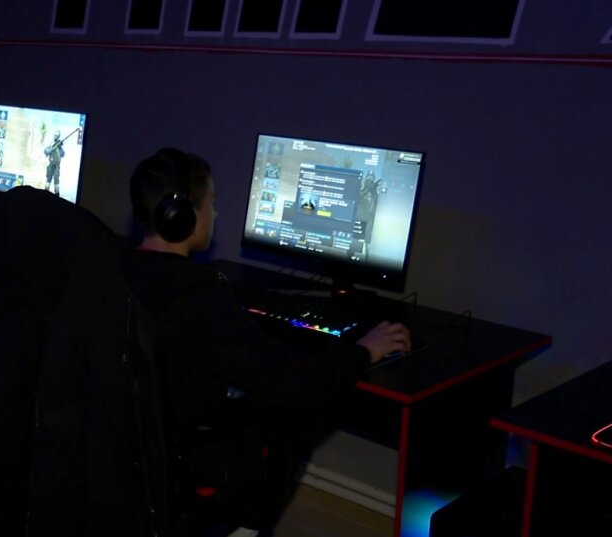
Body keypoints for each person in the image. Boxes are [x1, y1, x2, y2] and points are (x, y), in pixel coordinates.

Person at [120, 148, 411, 537]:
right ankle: (243, 526)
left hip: (130, 459)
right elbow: (300, 384)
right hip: (195, 462)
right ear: (182, 216)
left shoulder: (116, 270)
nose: (215, 214)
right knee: (297, 405)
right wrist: (364, 350)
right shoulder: (199, 300)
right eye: (211, 203)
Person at [43, 131, 64, 196]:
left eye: (57, 136)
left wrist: (60, 148)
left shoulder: (60, 146)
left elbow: (62, 154)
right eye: (55, 136)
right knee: (48, 179)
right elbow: (45, 150)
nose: (56, 137)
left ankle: (57, 193)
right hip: (51, 164)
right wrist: (49, 150)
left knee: (56, 180)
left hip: (57, 165)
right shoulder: (51, 144)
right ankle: (46, 191)